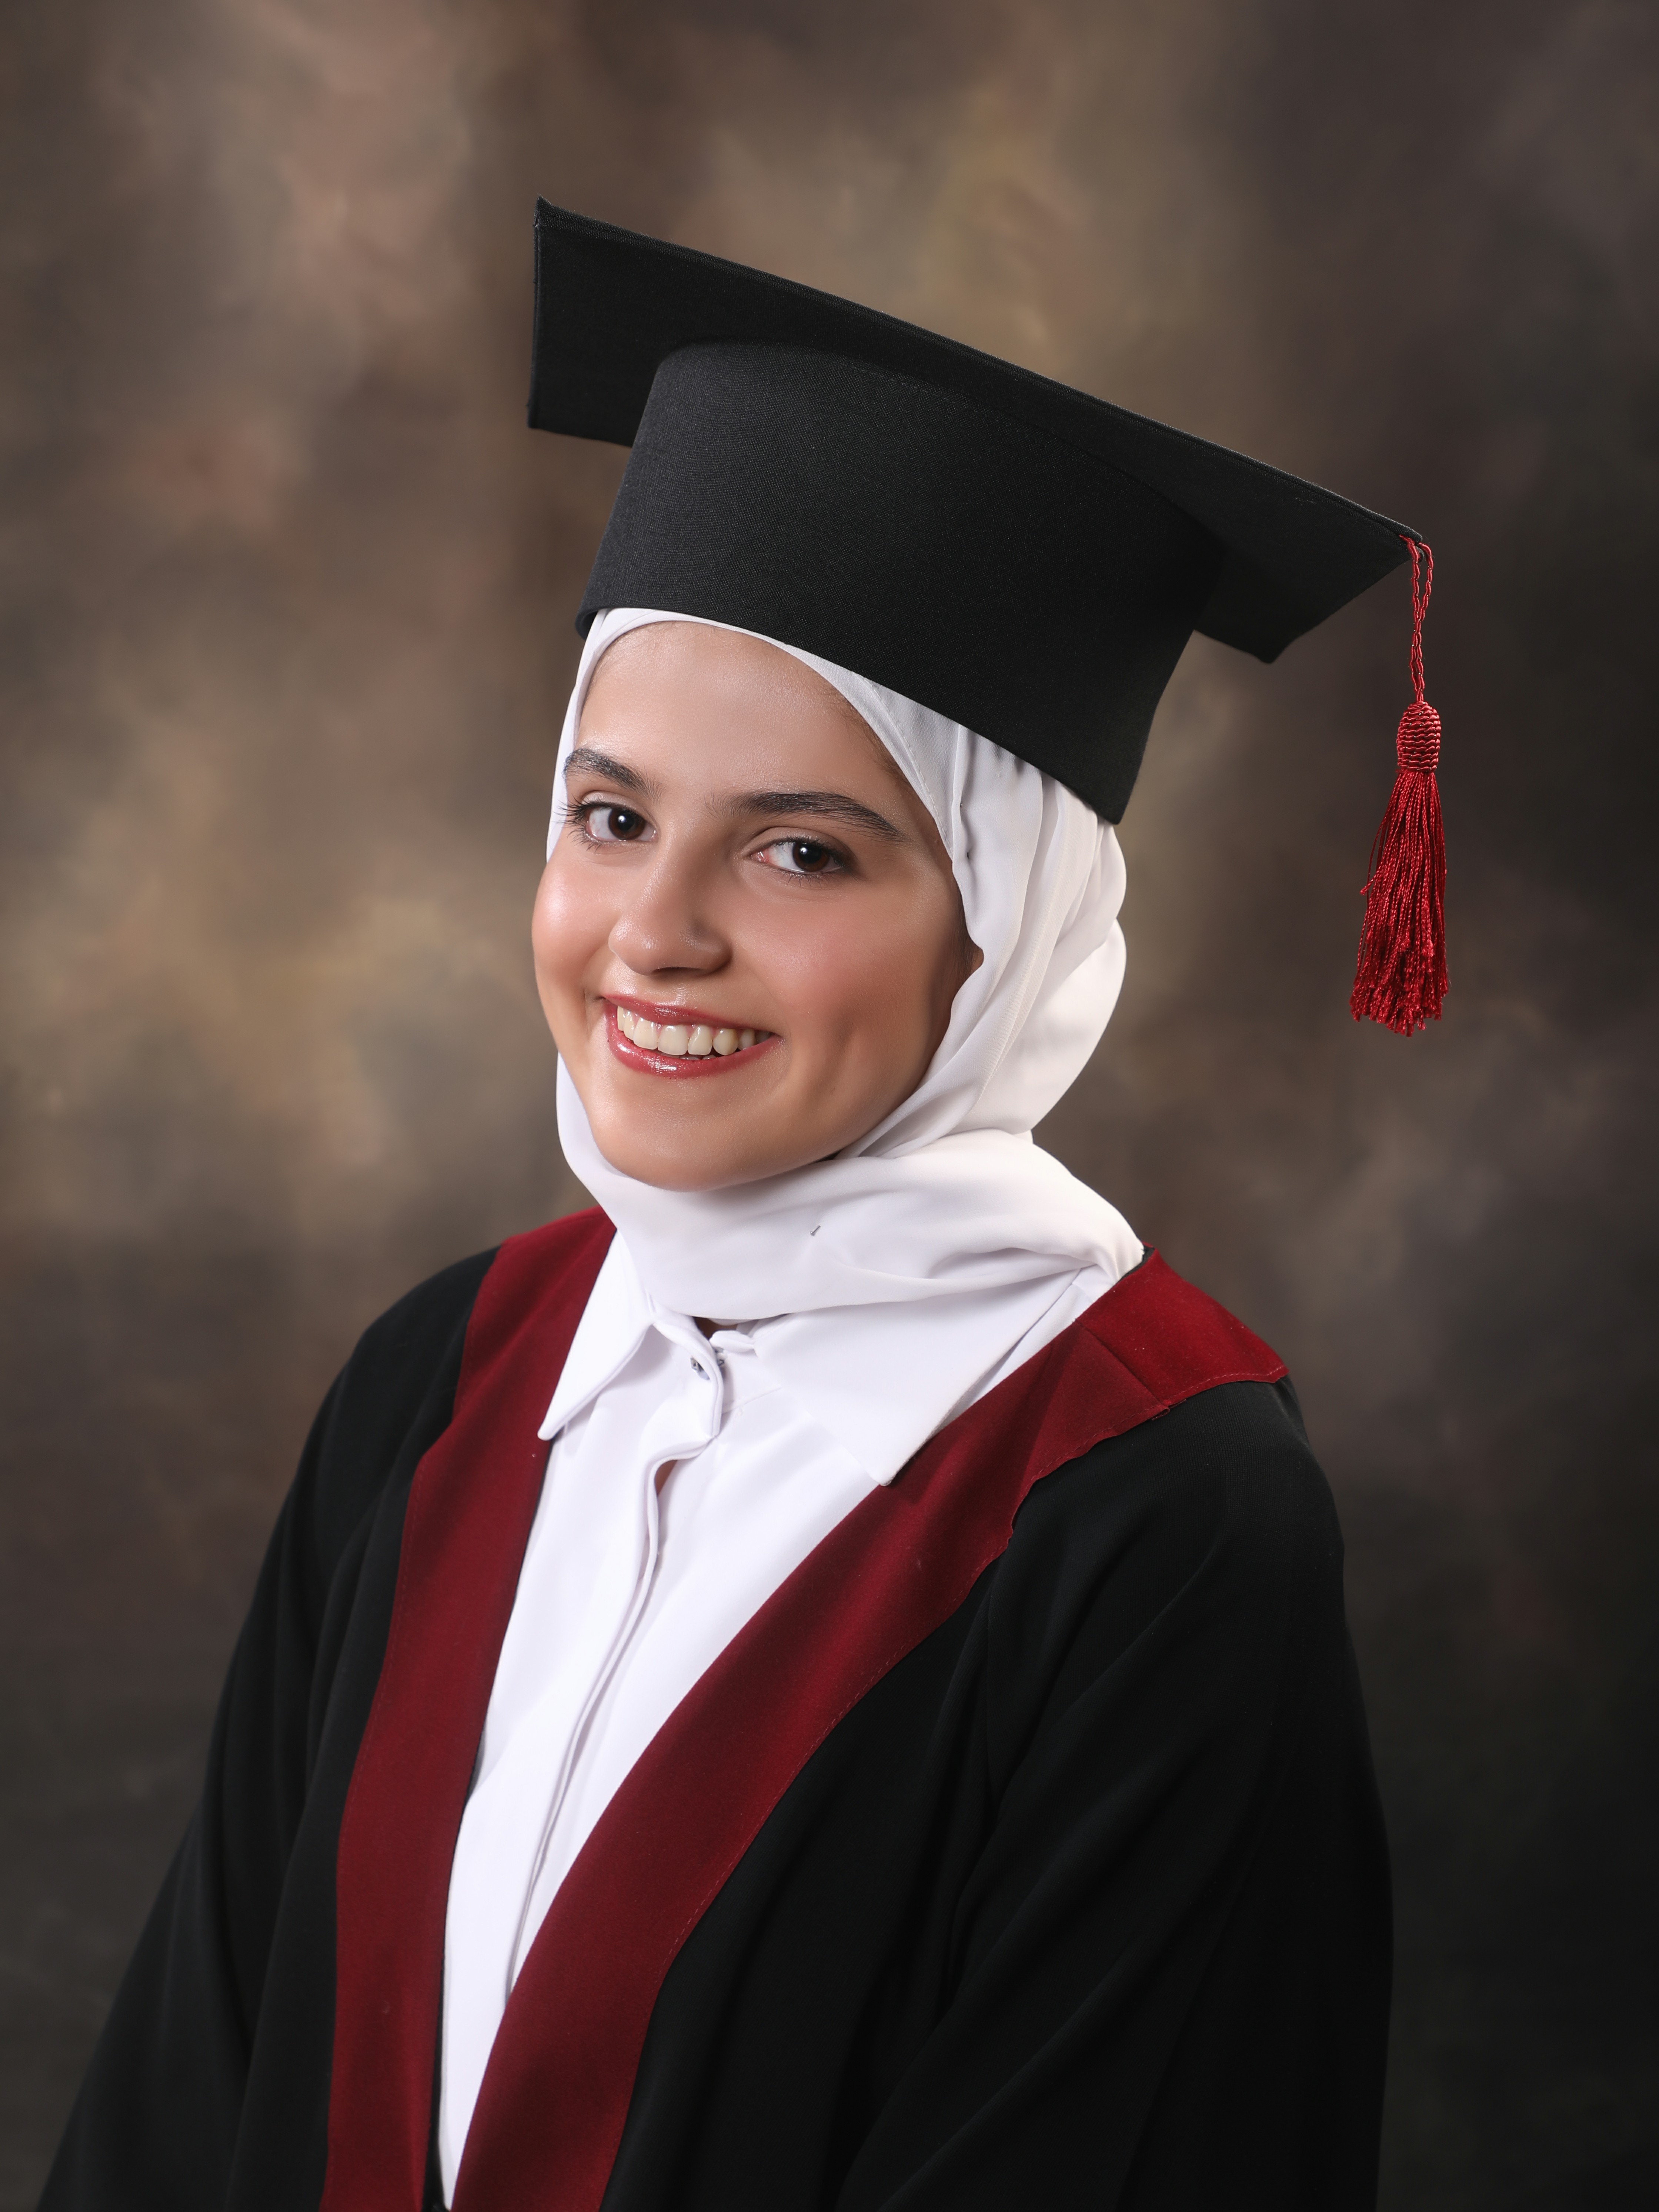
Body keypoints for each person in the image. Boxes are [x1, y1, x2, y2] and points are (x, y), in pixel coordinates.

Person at [42, 206, 1415, 2211]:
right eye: (610, 817)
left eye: (800, 852)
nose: (657, 934)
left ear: (1004, 930)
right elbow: (189, 2096)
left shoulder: (1158, 1513)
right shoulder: (446, 1378)